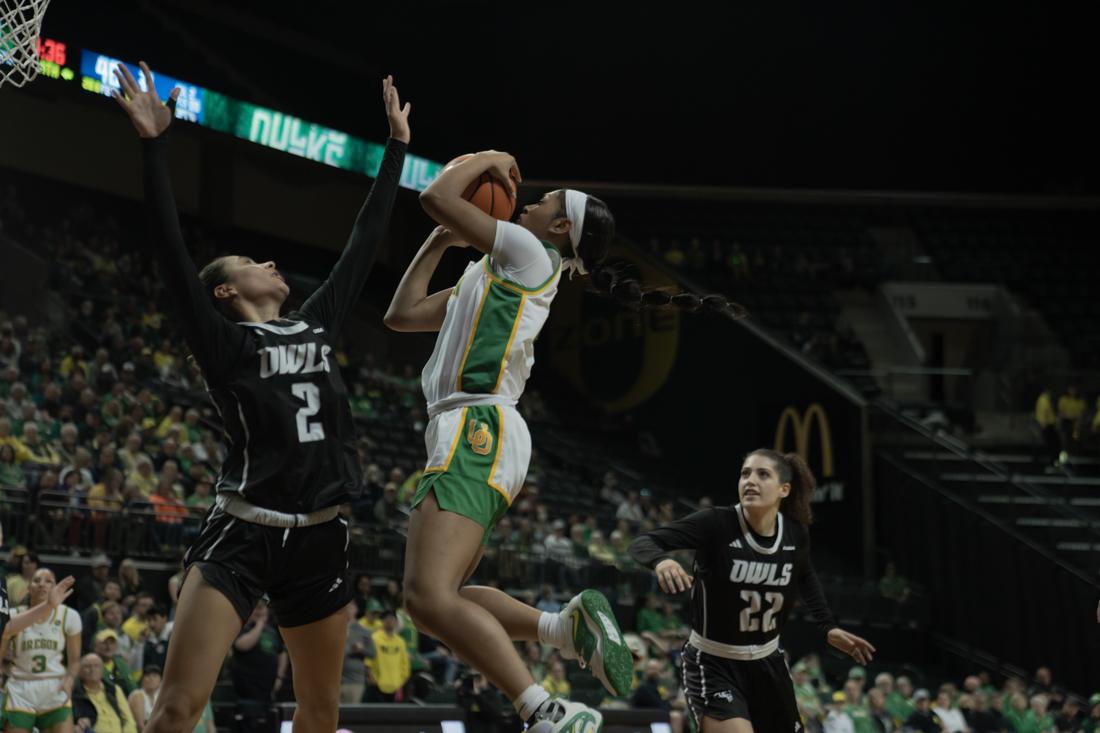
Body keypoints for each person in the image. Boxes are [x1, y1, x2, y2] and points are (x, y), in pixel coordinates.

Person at [112, 61, 410, 733]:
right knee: (176, 710)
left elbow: (364, 242)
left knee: (320, 710)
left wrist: (396, 148)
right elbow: (168, 251)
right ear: (225, 290)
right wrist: (155, 147)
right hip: (243, 531)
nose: (270, 263)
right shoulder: (225, 344)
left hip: (321, 538)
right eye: (251, 262)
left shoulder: (317, 321)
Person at [388, 144, 723, 732]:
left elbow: (434, 195)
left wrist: (492, 155)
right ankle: (560, 630)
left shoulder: (527, 251)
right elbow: (403, 313)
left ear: (562, 226)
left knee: (426, 598)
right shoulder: (498, 267)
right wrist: (440, 240)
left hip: (478, 426)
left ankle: (546, 710)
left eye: (542, 202)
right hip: (477, 428)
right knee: (444, 603)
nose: (529, 201)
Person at [628, 449, 875, 733]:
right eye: (745, 473)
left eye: (762, 474)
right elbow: (642, 543)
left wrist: (828, 626)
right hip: (714, 662)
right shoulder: (716, 523)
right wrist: (662, 561)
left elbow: (805, 575)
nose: (750, 481)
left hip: (768, 662)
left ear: (784, 489)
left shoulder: (795, 533)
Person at [2, 568, 83, 733]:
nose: (42, 585)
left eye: (48, 581)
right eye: (37, 580)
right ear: (28, 587)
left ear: (55, 587)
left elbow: (75, 661)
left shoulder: (69, 615)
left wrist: (69, 679)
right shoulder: (13, 616)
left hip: (54, 685)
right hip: (20, 686)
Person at [72, 653, 137, 733]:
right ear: (79, 671)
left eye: (96, 666)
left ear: (102, 670)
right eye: (87, 666)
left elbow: (128, 720)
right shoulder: (75, 693)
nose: (92, 670)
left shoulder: (114, 689)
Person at [128, 665, 162, 730]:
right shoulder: (137, 695)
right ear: (142, 680)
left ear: (160, 681)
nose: (151, 679)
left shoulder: (158, 696)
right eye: (147, 676)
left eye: (154, 676)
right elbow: (140, 726)